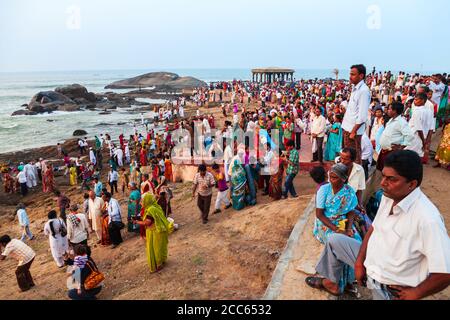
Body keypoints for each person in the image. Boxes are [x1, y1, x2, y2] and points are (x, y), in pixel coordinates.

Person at [306, 151, 450, 299]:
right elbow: (374, 228)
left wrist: (416, 292)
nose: (382, 183)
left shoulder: (428, 219)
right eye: (384, 177)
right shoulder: (389, 198)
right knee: (334, 240)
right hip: (371, 262)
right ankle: (332, 283)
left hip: (389, 282)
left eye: (391, 179)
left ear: (412, 184)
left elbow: (445, 272)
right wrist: (359, 262)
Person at [312, 163, 361, 292]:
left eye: (334, 178)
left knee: (355, 240)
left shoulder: (349, 191)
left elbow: (350, 211)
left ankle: (349, 280)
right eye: (330, 176)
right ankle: (336, 282)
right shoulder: (324, 190)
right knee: (336, 242)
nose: (331, 180)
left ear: (343, 179)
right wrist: (336, 229)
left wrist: (349, 228)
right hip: (326, 222)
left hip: (343, 221)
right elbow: (319, 214)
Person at [133, 193, 173, 273]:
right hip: (160, 231)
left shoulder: (150, 210)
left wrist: (137, 222)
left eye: (142, 200)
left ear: (147, 201)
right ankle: (162, 261)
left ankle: (158, 265)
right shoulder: (156, 206)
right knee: (160, 247)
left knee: (155, 249)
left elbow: (148, 222)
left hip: (154, 232)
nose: (141, 202)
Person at [342, 65, 371, 164]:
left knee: (354, 158)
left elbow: (362, 116)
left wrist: (353, 132)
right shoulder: (355, 88)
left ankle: (356, 178)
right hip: (348, 128)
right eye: (350, 74)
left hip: (353, 131)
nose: (350, 76)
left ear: (361, 76)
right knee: (347, 158)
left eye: (353, 74)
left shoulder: (364, 91)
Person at [377, 102, 414, 171]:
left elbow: (410, 136)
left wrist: (401, 147)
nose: (387, 110)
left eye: (389, 109)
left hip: (391, 152)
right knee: (383, 170)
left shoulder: (401, 122)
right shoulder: (391, 120)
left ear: (394, 111)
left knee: (389, 171)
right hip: (384, 150)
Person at [406, 93, 434, 160]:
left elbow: (418, 128)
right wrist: (427, 141)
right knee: (417, 157)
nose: (414, 102)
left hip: (415, 137)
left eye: (416, 100)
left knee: (409, 157)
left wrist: (424, 142)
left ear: (422, 100)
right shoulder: (430, 111)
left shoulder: (416, 110)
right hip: (423, 137)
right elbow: (431, 128)